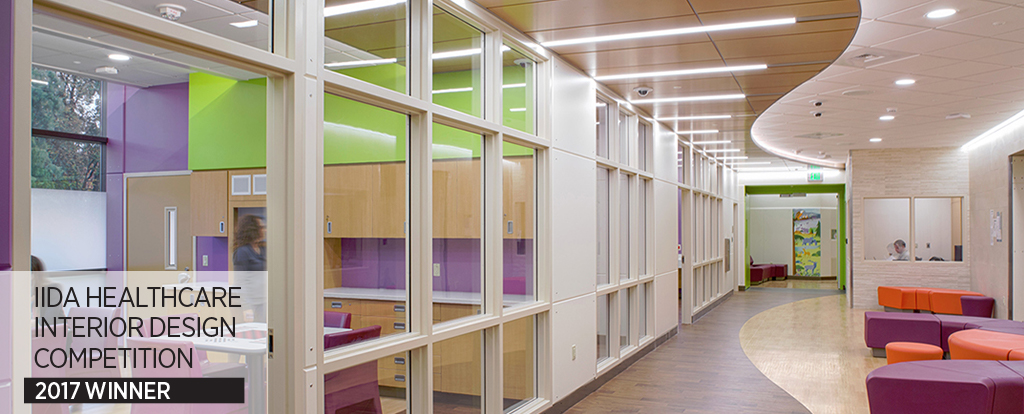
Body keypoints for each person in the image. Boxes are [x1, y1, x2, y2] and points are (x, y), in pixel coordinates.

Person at [233, 215, 267, 323]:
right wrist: (246, 307)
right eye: (261, 227)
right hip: (251, 303)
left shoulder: (263, 249)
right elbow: (240, 282)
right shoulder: (242, 252)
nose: (265, 230)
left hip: (264, 301)